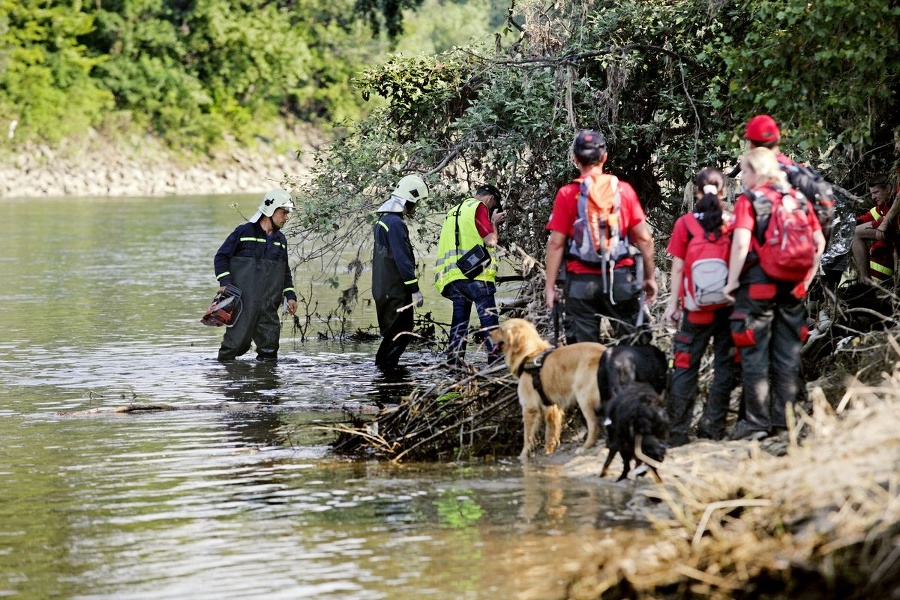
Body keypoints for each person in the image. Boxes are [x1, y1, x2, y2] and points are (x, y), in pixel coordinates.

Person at [723, 148, 826, 441]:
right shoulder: (798, 199)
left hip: (758, 288)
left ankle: (756, 424)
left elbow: (741, 243)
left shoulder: (751, 200)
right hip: (793, 289)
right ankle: (785, 422)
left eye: (744, 170)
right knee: (787, 354)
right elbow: (818, 241)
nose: (741, 176)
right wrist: (806, 278)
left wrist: (731, 282)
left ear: (756, 171)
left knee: (755, 354)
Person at [545, 129, 657, 344]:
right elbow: (644, 238)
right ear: (604, 157)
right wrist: (649, 277)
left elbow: (556, 244)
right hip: (621, 279)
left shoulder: (567, 194)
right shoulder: (623, 191)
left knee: (584, 355)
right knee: (634, 346)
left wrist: (550, 288)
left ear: (575, 159)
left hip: (580, 285)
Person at [663, 168, 736, 446]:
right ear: (724, 191)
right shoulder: (732, 222)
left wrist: (673, 305)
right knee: (725, 365)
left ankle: (678, 432)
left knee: (684, 365)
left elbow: (678, 267)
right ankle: (712, 428)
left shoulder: (685, 224)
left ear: (695, 192)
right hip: (729, 307)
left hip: (696, 310)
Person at [214, 188, 298, 362]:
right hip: (243, 304)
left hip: (269, 305)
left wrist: (290, 295)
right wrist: (225, 282)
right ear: (270, 210)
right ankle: (225, 379)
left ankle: (267, 384)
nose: (286, 217)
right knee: (234, 347)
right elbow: (221, 257)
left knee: (270, 350)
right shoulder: (244, 233)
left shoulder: (281, 240)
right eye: (283, 212)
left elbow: (285, 270)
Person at [433, 184, 507, 367]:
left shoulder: (453, 211)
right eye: (493, 206)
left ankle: (454, 365)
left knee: (459, 325)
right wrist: (494, 223)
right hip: (477, 276)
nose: (490, 210)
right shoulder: (479, 207)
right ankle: (495, 366)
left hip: (453, 278)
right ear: (490, 200)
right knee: (489, 322)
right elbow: (490, 242)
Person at [372, 174, 429, 369]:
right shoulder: (396, 223)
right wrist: (414, 288)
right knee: (400, 331)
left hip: (385, 287)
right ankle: (386, 372)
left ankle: (385, 370)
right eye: (416, 202)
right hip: (396, 289)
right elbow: (402, 259)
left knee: (396, 331)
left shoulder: (383, 220)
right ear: (409, 199)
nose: (416, 207)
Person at [850, 179, 896, 286]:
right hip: (880, 263)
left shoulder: (895, 202)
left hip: (885, 260)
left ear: (888, 189)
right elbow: (869, 216)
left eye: (876, 192)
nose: (873, 197)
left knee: (856, 233)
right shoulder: (884, 205)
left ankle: (866, 281)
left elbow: (890, 222)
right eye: (871, 194)